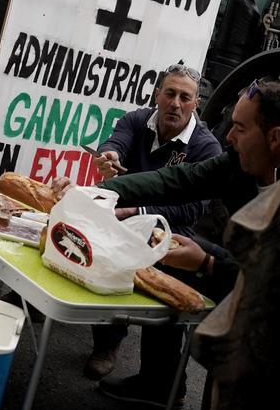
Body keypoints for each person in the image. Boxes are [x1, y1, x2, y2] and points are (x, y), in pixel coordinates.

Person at [53, 80, 280, 408]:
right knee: (165, 251)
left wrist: (208, 264)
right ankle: (160, 386)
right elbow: (173, 180)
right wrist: (95, 193)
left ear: (275, 138)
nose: (229, 136)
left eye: (240, 128)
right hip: (249, 265)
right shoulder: (234, 161)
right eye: (169, 94)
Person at [84, 62, 222, 382]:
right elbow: (116, 140)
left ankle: (160, 381)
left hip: (171, 226)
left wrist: (137, 212)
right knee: (92, 238)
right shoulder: (137, 118)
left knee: (167, 284)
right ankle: (107, 342)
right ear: (157, 95)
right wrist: (110, 156)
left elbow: (191, 210)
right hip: (125, 213)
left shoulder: (206, 146)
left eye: (185, 97)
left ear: (196, 103)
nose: (176, 103)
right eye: (170, 93)